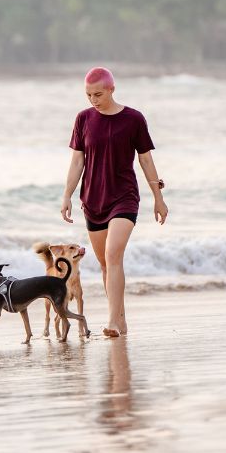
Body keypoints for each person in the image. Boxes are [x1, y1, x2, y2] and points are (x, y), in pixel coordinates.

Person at [60, 66, 167, 337]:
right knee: (106, 265)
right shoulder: (83, 119)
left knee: (112, 255)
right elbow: (77, 161)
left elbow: (145, 159)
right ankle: (121, 320)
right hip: (93, 200)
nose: (93, 100)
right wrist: (67, 196)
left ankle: (112, 322)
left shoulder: (133, 119)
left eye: (98, 94)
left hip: (124, 197)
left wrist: (158, 197)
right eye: (88, 95)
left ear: (111, 89)